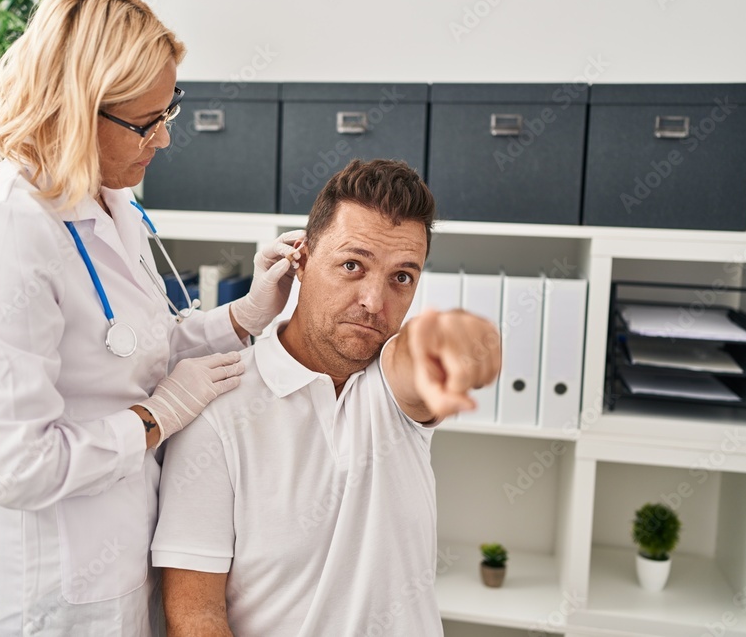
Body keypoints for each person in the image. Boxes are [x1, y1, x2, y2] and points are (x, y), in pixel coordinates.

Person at [0, 0, 302, 636]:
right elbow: (16, 467)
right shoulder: (9, 232)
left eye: (171, 111)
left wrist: (244, 315)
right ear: (79, 105)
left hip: (125, 554)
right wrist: (153, 419)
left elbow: (138, 343)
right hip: (50, 589)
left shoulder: (111, 199)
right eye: (146, 122)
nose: (164, 139)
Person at [151, 159, 502, 636]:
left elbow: (417, 360)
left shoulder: (391, 388)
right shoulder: (217, 408)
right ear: (302, 260)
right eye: (352, 266)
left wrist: (461, 340)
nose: (375, 302)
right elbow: (196, 615)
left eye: (402, 277)